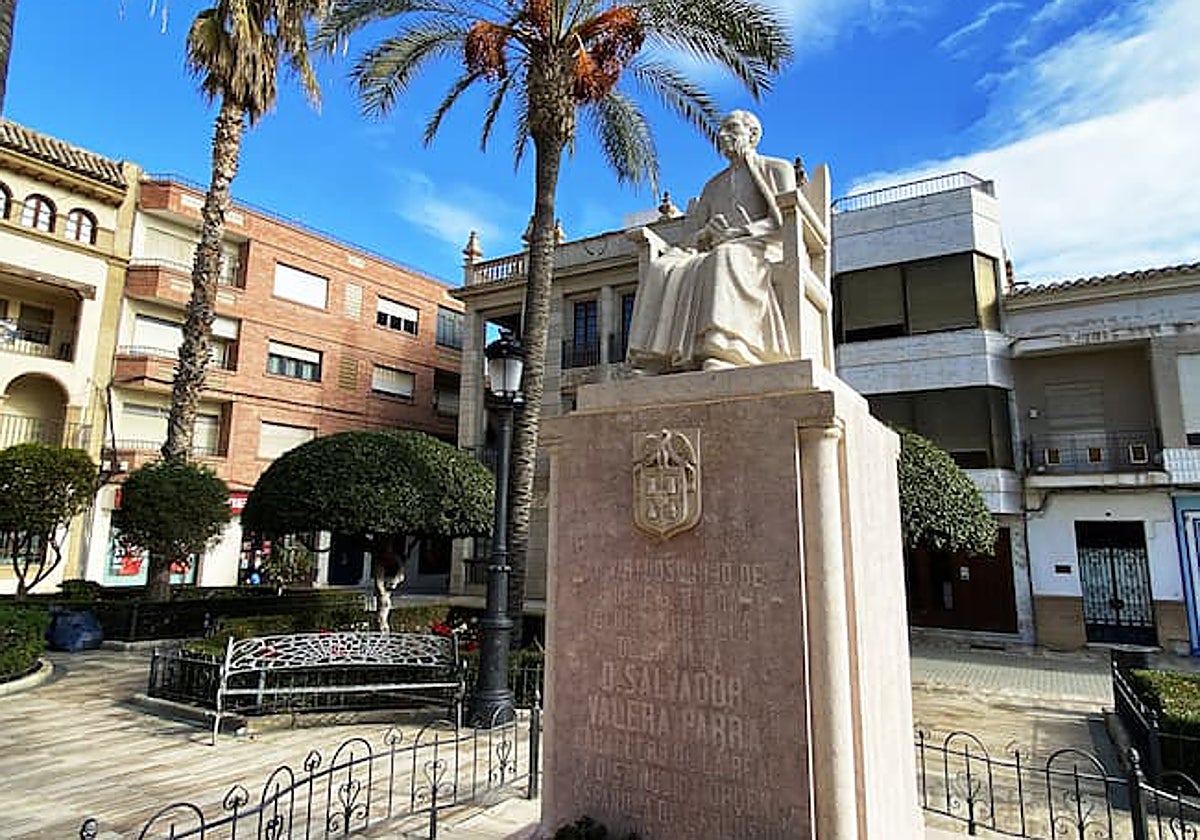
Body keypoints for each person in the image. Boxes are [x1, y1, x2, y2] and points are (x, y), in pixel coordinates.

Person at [626, 110, 796, 373]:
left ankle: (725, 346)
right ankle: (656, 357)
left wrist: (740, 232)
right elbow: (692, 237)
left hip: (759, 246)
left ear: (752, 135)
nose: (723, 135)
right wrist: (706, 233)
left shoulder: (777, 169)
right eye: (722, 130)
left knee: (725, 256)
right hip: (713, 249)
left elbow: (784, 221)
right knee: (661, 267)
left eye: (732, 128)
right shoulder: (712, 185)